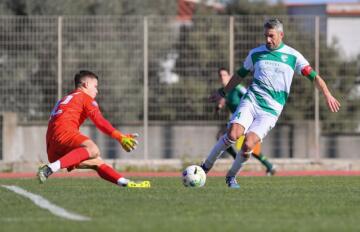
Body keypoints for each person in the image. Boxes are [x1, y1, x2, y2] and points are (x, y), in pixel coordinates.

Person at [201, 18, 340, 188]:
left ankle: (231, 176)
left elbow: (314, 77)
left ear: (281, 35)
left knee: (248, 145)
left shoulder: (293, 56)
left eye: (271, 36)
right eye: (265, 36)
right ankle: (205, 167)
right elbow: (239, 75)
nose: (268, 40)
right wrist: (222, 92)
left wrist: (327, 94)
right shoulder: (256, 53)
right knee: (232, 134)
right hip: (251, 101)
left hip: (271, 111)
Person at [37, 70, 150, 188]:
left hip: (52, 145)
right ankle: (49, 168)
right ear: (86, 84)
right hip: (64, 134)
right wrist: (120, 137)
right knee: (93, 149)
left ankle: (125, 182)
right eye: (95, 86)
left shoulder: (66, 98)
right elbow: (100, 121)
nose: (97, 90)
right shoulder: (85, 97)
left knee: (96, 161)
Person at [215, 67, 276, 176]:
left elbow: (249, 95)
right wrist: (219, 104)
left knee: (248, 146)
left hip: (247, 117)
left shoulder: (237, 88)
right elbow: (222, 99)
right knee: (222, 136)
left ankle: (269, 166)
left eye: (224, 75)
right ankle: (267, 165)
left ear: (229, 76)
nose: (222, 78)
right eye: (220, 76)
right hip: (236, 119)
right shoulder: (223, 91)